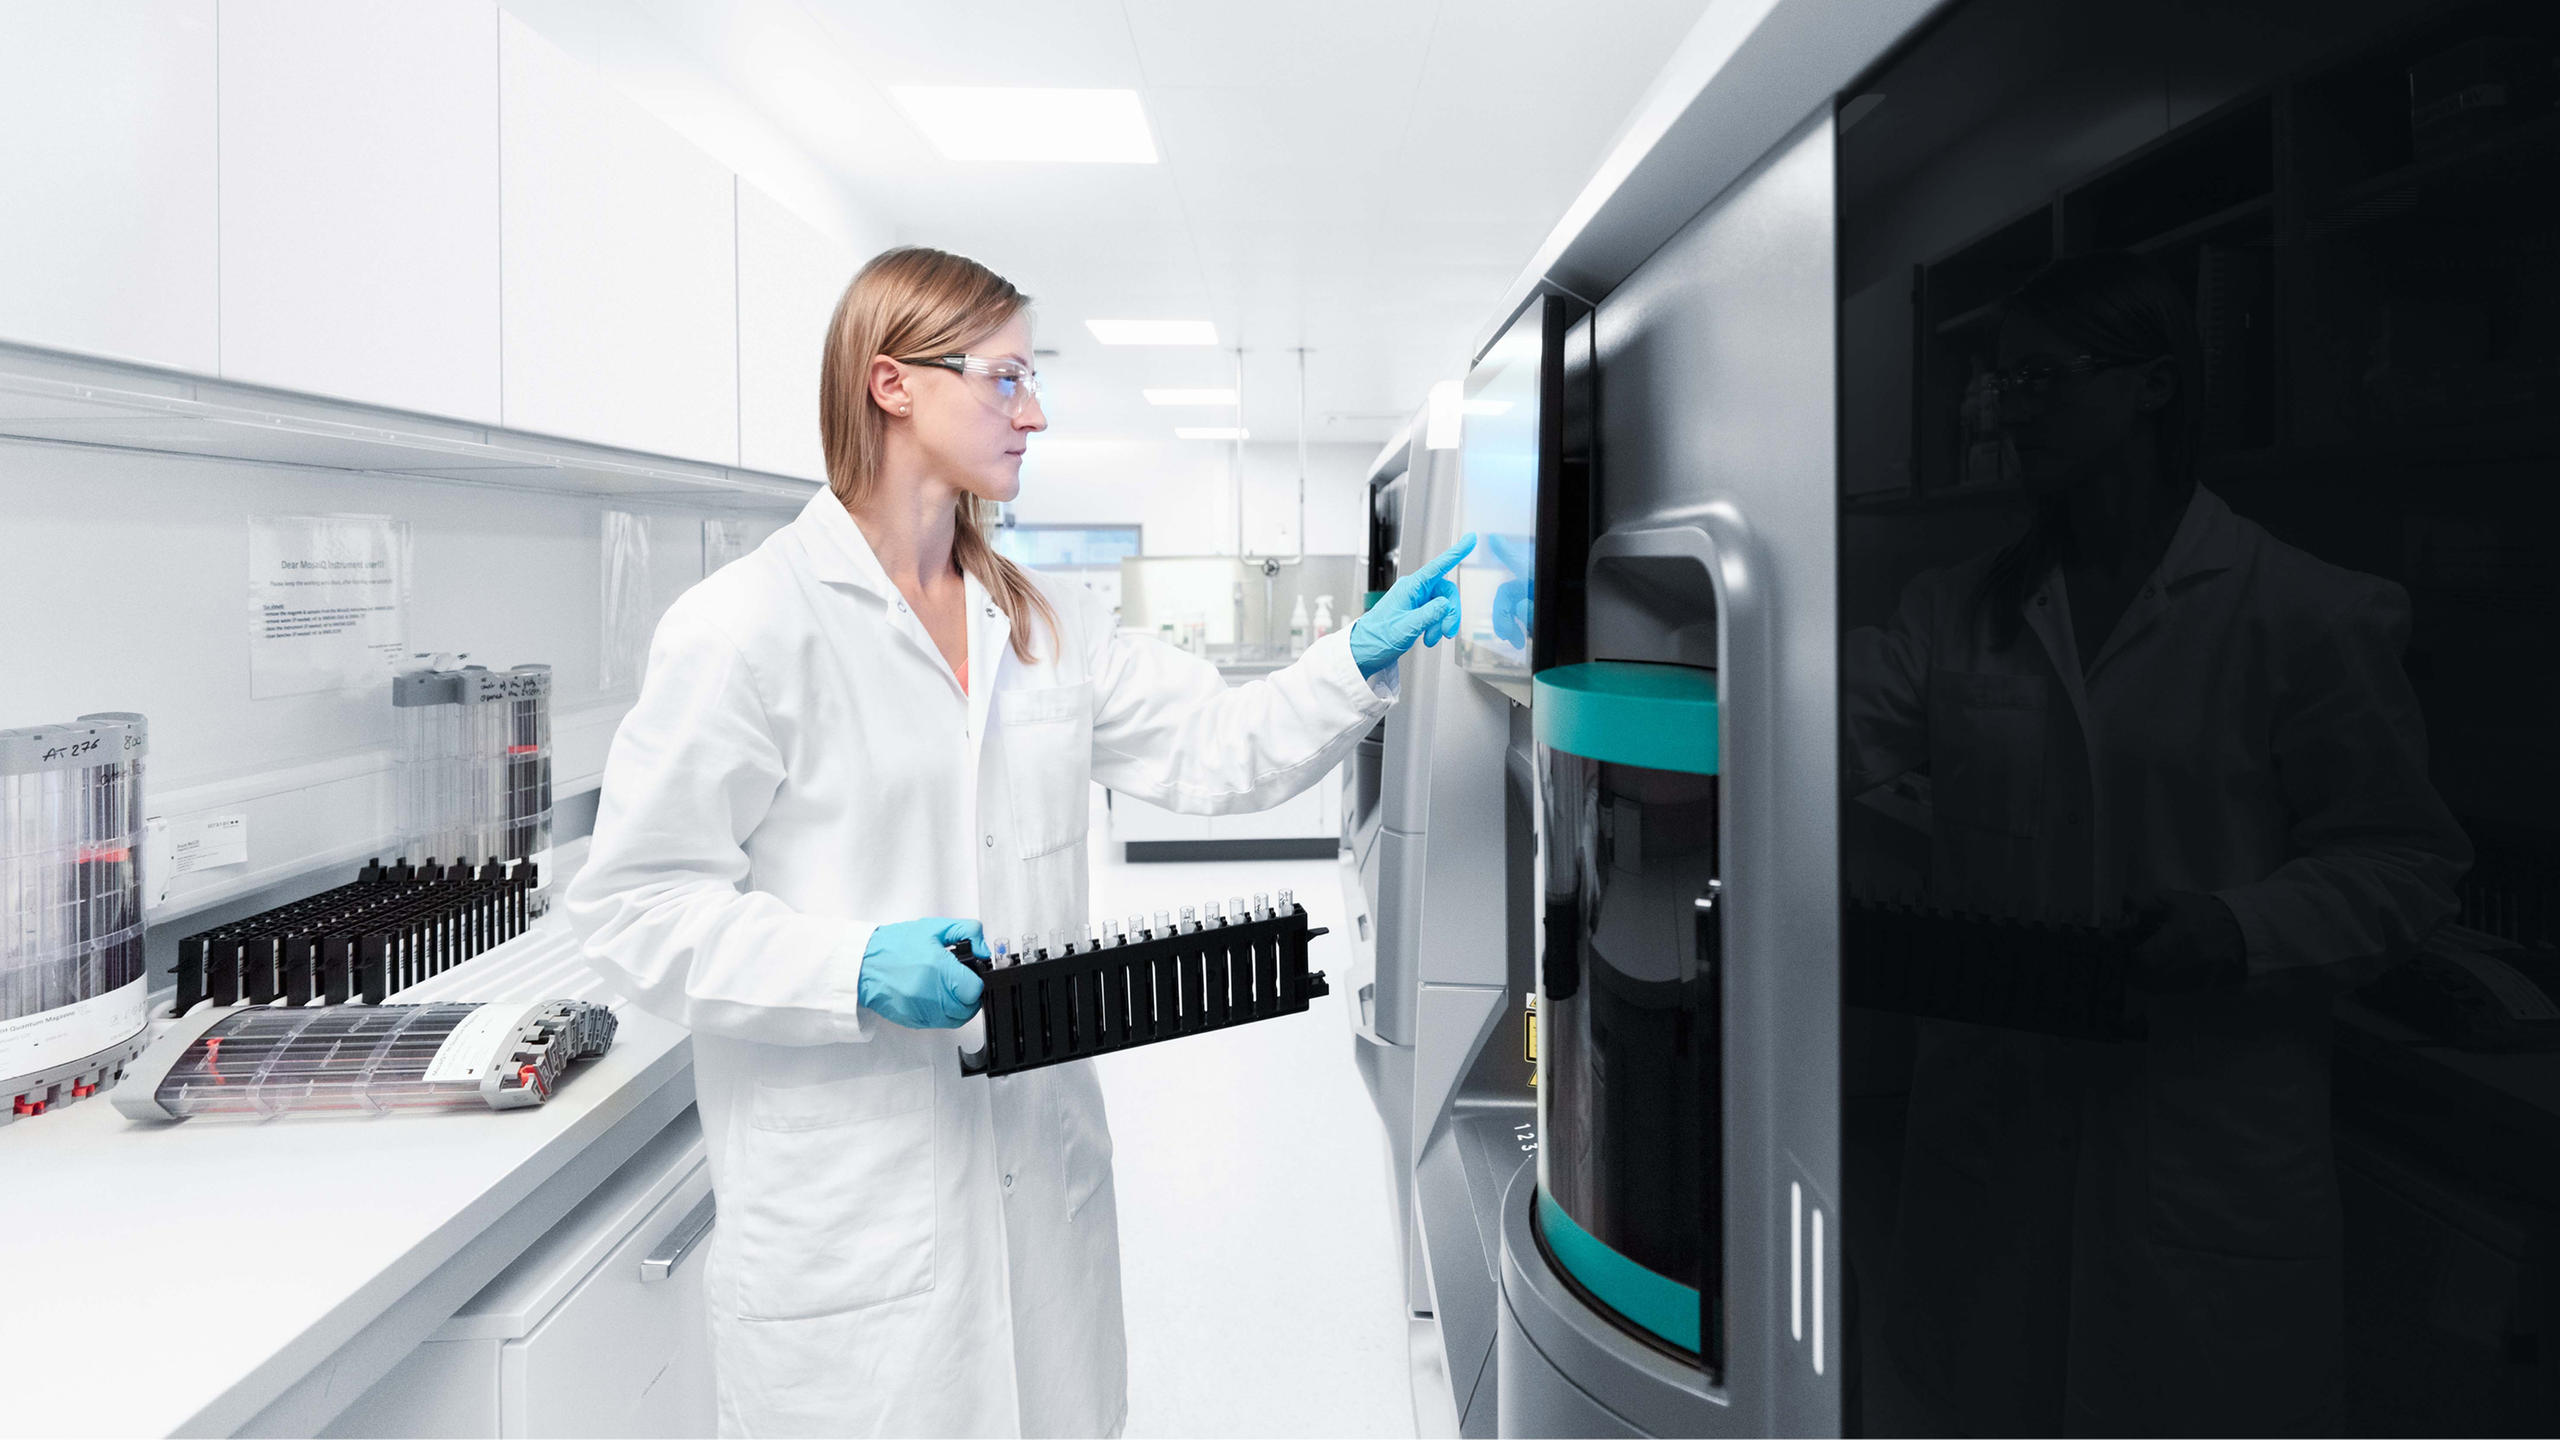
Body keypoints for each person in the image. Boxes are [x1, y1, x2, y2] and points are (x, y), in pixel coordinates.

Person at [565, 246, 1473, 1438]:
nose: (1032, 413)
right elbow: (633, 907)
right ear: (892, 384)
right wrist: (850, 967)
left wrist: (1354, 656)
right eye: (1005, 379)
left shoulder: (1041, 620)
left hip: (1039, 1172)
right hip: (855, 1204)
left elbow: (1216, 743)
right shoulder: (744, 628)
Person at [1842, 251, 2469, 1434]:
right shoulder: (1955, 612)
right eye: (1997, 386)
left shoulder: (2303, 611)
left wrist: (2237, 928)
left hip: (2198, 1140)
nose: (2007, 411)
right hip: (1997, 1136)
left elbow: (2402, 858)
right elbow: (1808, 741)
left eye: (2037, 380)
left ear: (2151, 385)